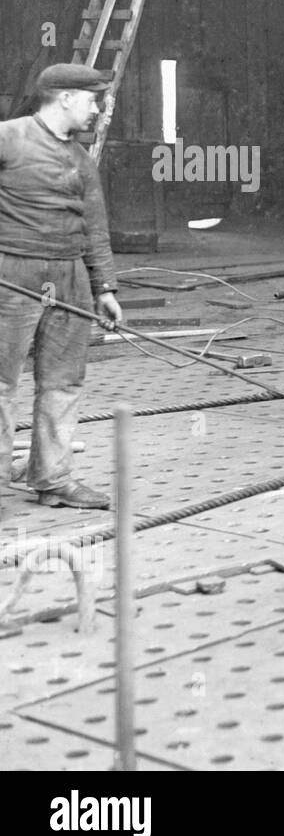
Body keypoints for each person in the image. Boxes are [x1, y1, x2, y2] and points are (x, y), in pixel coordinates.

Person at [0, 63, 123, 509]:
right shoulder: (8, 137)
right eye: (94, 101)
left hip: (69, 279)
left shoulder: (81, 160)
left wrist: (104, 287)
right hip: (12, 273)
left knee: (64, 381)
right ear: (66, 97)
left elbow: (95, 227)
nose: (98, 111)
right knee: (1, 383)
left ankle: (52, 479)